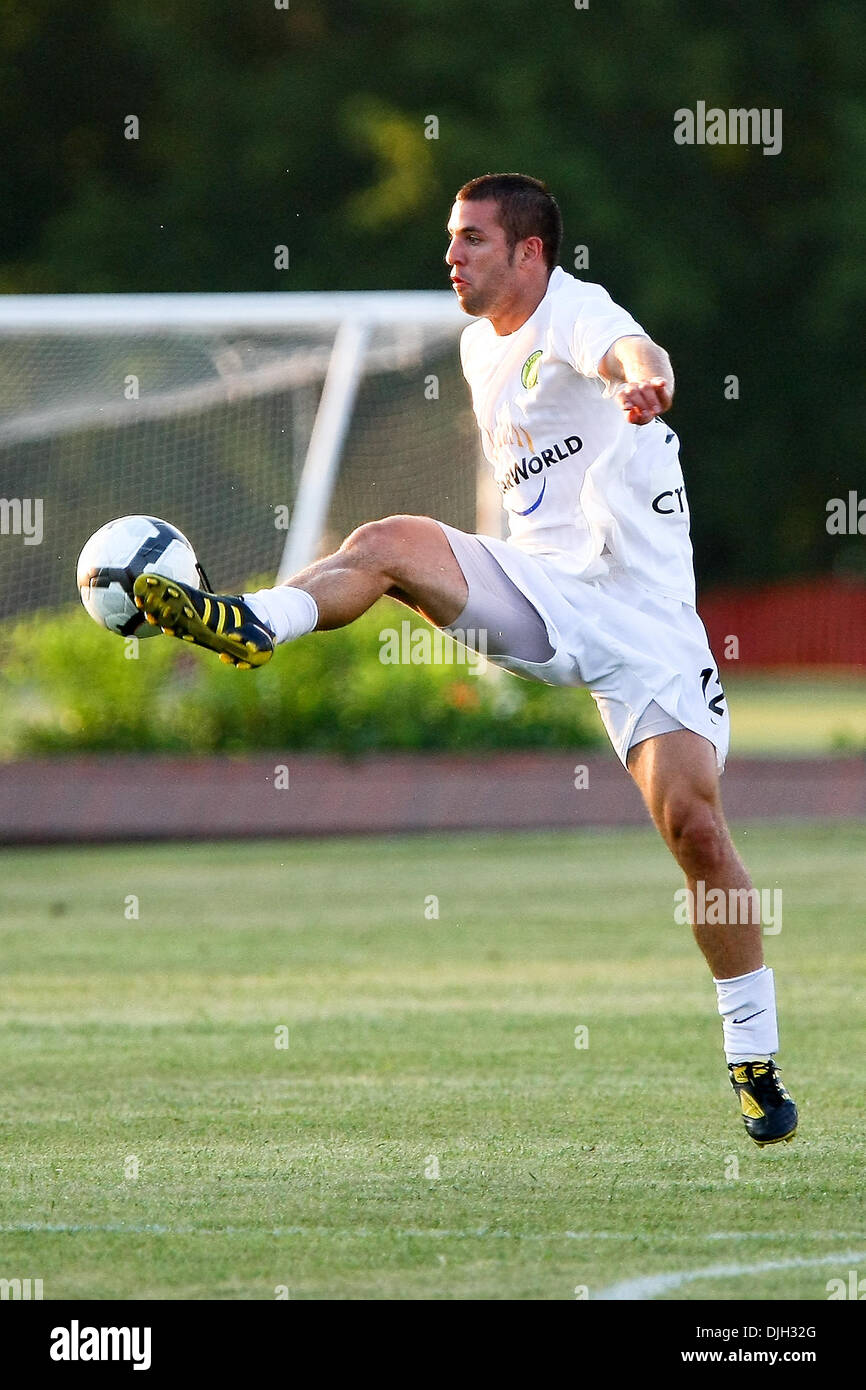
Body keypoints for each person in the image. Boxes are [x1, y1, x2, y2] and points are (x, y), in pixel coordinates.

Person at [134, 172, 797, 1146]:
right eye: (451, 239)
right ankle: (252, 623)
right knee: (386, 543)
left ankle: (749, 1055)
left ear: (529, 252)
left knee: (694, 827)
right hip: (537, 595)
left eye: (471, 240)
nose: (450, 255)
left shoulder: (575, 310)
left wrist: (640, 375)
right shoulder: (469, 346)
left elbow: (626, 346)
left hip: (645, 627)